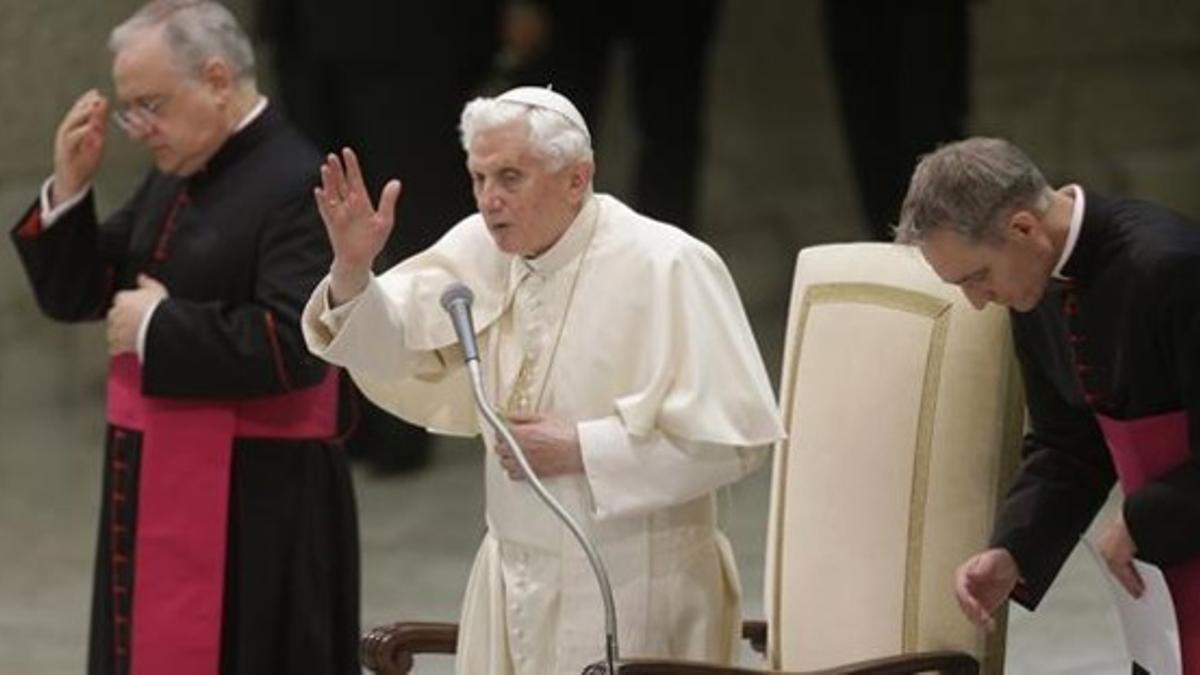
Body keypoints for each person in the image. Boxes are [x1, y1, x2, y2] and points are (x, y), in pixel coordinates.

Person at [302, 86, 784, 674]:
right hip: (513, 577)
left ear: (577, 179)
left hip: (638, 580)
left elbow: (737, 439)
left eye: (510, 177)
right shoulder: (480, 249)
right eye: (478, 178)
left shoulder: (670, 264)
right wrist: (353, 271)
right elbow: (389, 344)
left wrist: (583, 447)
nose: (489, 201)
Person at [9, 2, 358, 673]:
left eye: (151, 104)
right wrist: (69, 189)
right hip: (160, 468)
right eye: (128, 109)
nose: (139, 128)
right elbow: (84, 291)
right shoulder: (180, 170)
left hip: (261, 503)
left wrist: (158, 326)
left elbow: (299, 342)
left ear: (219, 79)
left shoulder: (297, 181)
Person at [895, 137, 1200, 673]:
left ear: (1022, 229)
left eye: (977, 276)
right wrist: (1013, 549)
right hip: (1169, 566)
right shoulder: (1035, 282)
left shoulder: (1171, 265)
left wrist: (1144, 519)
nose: (977, 299)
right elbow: (1069, 443)